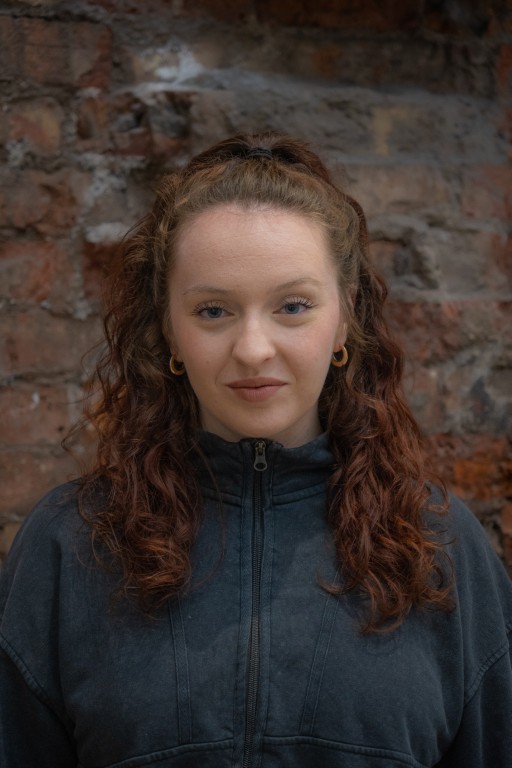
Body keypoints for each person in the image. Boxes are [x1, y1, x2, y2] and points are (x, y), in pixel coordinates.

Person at [0, 133, 511, 768]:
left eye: (293, 306)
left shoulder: (441, 548)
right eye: (213, 310)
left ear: (345, 317)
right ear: (169, 328)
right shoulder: (70, 545)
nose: (252, 349)